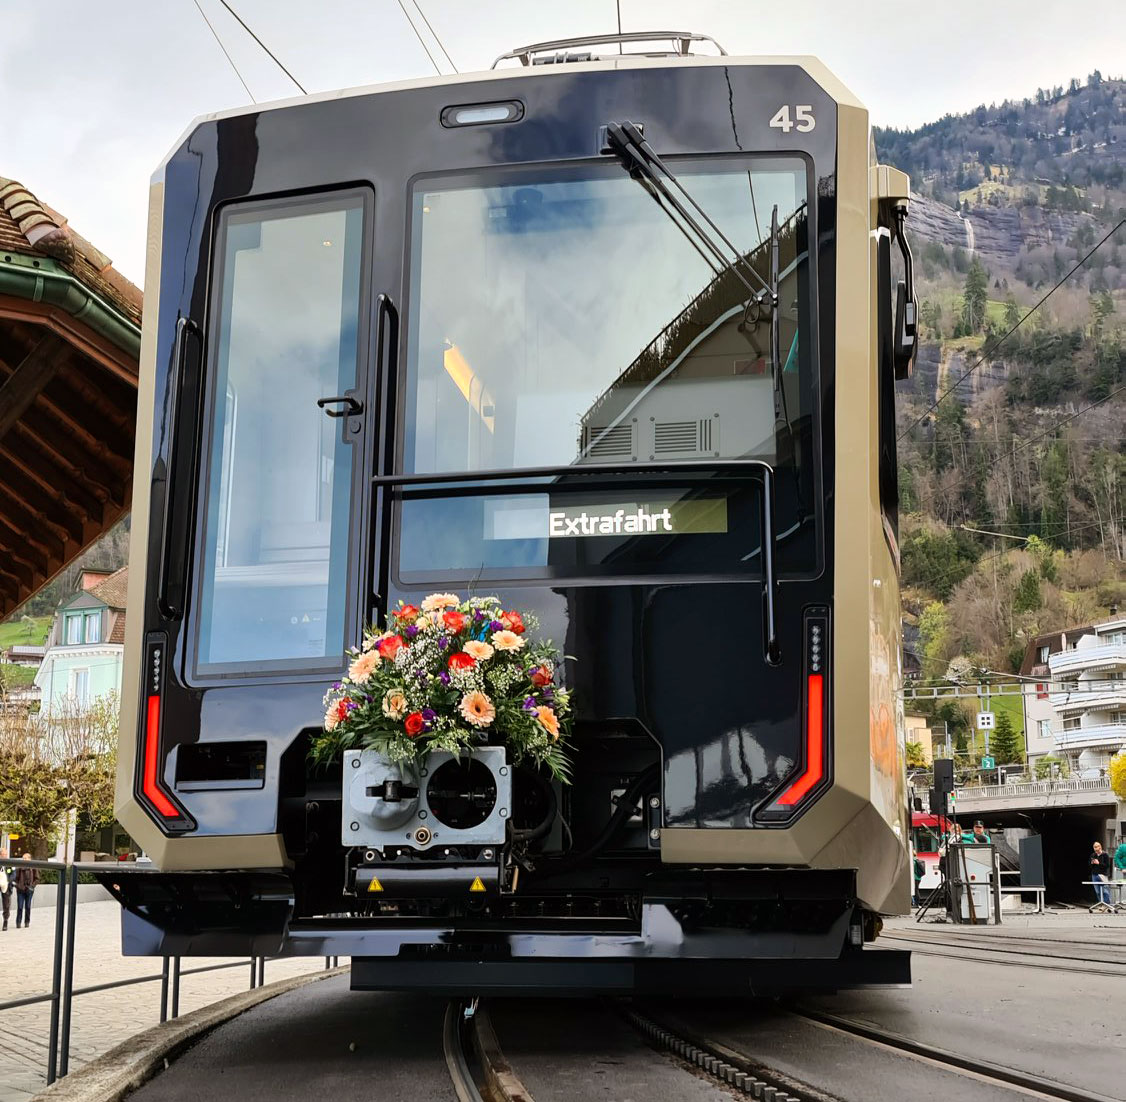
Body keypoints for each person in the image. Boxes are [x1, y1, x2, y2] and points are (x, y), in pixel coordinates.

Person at [14, 854, 37, 929]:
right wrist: (18, 886)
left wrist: (32, 887)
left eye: (26, 858)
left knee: (28, 906)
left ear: (30, 859)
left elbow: (37, 879)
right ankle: (18, 922)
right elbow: (15, 878)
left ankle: (27, 922)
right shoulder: (19, 868)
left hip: (29, 890)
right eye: (23, 858)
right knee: (20, 907)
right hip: (20, 890)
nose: (24, 859)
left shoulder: (33, 867)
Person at [1088, 841, 1111, 906]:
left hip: (1103, 874)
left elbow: (1107, 865)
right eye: (1094, 847)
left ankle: (1107, 904)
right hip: (1094, 875)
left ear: (1100, 847)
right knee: (1097, 891)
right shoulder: (1093, 855)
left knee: (1105, 890)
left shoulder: (1105, 855)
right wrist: (1092, 863)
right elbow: (1090, 865)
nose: (1095, 849)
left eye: (1096, 847)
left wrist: (1099, 863)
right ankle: (1102, 904)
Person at [0, 848, 12, 932]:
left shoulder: (9, 863)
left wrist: (8, 881)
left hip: (6, 885)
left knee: (6, 904)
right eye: (3, 854)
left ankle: (5, 921)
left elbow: (13, 874)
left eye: (6, 854)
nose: (5, 856)